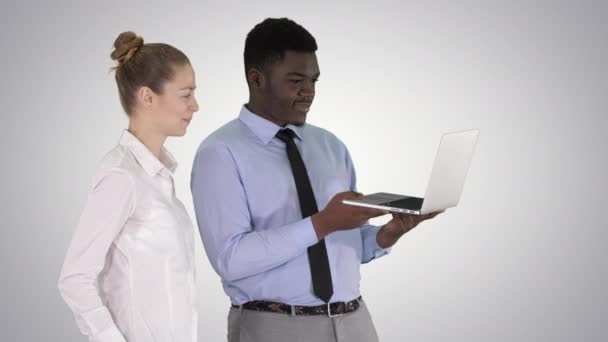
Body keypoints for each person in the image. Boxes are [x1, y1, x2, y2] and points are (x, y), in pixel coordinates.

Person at [191, 18, 441, 342]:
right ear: (257, 79)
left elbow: (346, 244)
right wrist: (322, 223)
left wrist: (387, 234)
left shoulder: (331, 146)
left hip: (355, 323)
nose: (308, 91)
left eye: (313, 80)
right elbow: (230, 259)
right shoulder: (220, 153)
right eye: (296, 80)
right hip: (275, 327)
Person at [58, 31, 200, 342]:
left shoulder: (159, 177)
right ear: (148, 97)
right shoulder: (120, 177)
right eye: (186, 95)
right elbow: (75, 278)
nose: (196, 106)